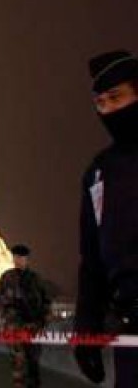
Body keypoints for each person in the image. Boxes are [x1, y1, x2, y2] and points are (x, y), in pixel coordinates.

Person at [74, 50, 138, 387]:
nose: (109, 110)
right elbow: (93, 258)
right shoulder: (98, 173)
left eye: (116, 97)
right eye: (100, 103)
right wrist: (87, 321)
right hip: (130, 326)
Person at [0, 244, 51, 387]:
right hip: (14, 327)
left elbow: (46, 302)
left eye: (20, 257)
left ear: (26, 259)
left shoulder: (36, 279)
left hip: (33, 326)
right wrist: (2, 319)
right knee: (18, 364)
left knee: (33, 363)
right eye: (15, 257)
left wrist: (43, 322)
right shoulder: (7, 277)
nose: (17, 260)